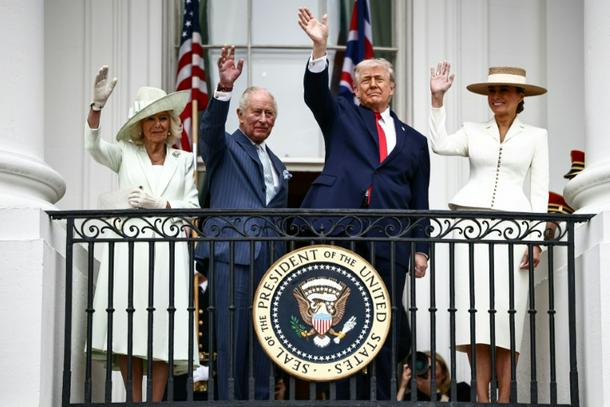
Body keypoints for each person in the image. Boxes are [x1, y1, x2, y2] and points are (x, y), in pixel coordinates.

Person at [297, 7, 431, 400]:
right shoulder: (341, 115)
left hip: (391, 240)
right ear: (355, 89)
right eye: (365, 80)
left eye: (379, 79)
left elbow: (419, 199)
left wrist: (421, 248)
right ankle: (343, 398)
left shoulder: (415, 140)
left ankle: (384, 396)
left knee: (385, 320)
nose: (372, 84)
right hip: (342, 232)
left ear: (392, 88)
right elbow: (315, 95)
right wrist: (320, 47)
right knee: (344, 317)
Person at [428, 62, 549, 402]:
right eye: (492, 91)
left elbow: (539, 191)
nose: (496, 96)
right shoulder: (472, 131)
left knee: (509, 318)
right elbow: (439, 144)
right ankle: (482, 398)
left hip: (515, 233)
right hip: (473, 230)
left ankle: (505, 397)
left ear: (520, 96)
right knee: (476, 318)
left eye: (504, 90)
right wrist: (437, 99)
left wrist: (536, 241)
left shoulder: (536, 136)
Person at [85, 66, 200, 402]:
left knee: (163, 327)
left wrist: (162, 204)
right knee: (127, 325)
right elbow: (94, 146)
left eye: (163, 118)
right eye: (151, 119)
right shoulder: (125, 153)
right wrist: (97, 107)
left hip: (168, 252)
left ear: (172, 123)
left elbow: (193, 208)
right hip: (128, 251)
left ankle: (155, 401)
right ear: (140, 125)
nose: (157, 125)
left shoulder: (184, 160)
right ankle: (133, 400)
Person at [194, 45, 290, 400]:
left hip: (270, 262)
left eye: (269, 113)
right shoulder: (224, 147)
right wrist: (224, 88)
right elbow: (209, 130)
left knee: (265, 343)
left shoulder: (277, 163)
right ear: (239, 115)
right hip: (232, 255)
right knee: (231, 343)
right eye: (256, 112)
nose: (263, 118)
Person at [397, 352, 470, 402]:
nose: (428, 372)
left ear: (443, 374)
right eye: (423, 368)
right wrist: (403, 386)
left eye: (432, 367)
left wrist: (438, 395)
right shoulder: (411, 398)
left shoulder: (460, 391)